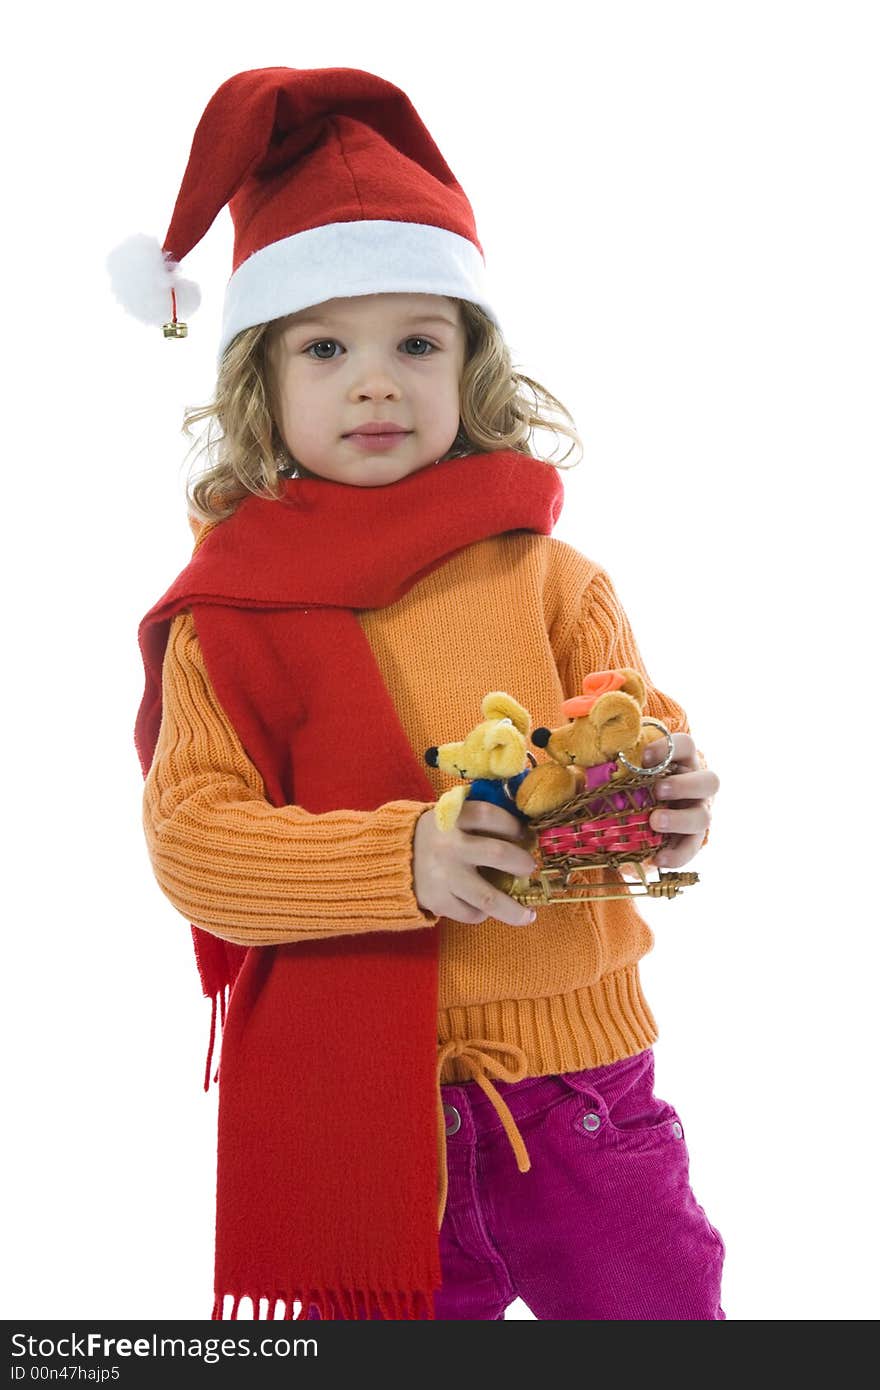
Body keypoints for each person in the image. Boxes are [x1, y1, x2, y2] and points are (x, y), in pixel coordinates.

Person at [111, 65, 724, 1321]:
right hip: (354, 1110)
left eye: (416, 342)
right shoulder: (228, 613)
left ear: (472, 364)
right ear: (259, 383)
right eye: (325, 346)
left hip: (577, 1081)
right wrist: (407, 859)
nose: (375, 380)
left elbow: (634, 723)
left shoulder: (550, 576)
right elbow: (194, 842)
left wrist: (667, 795)